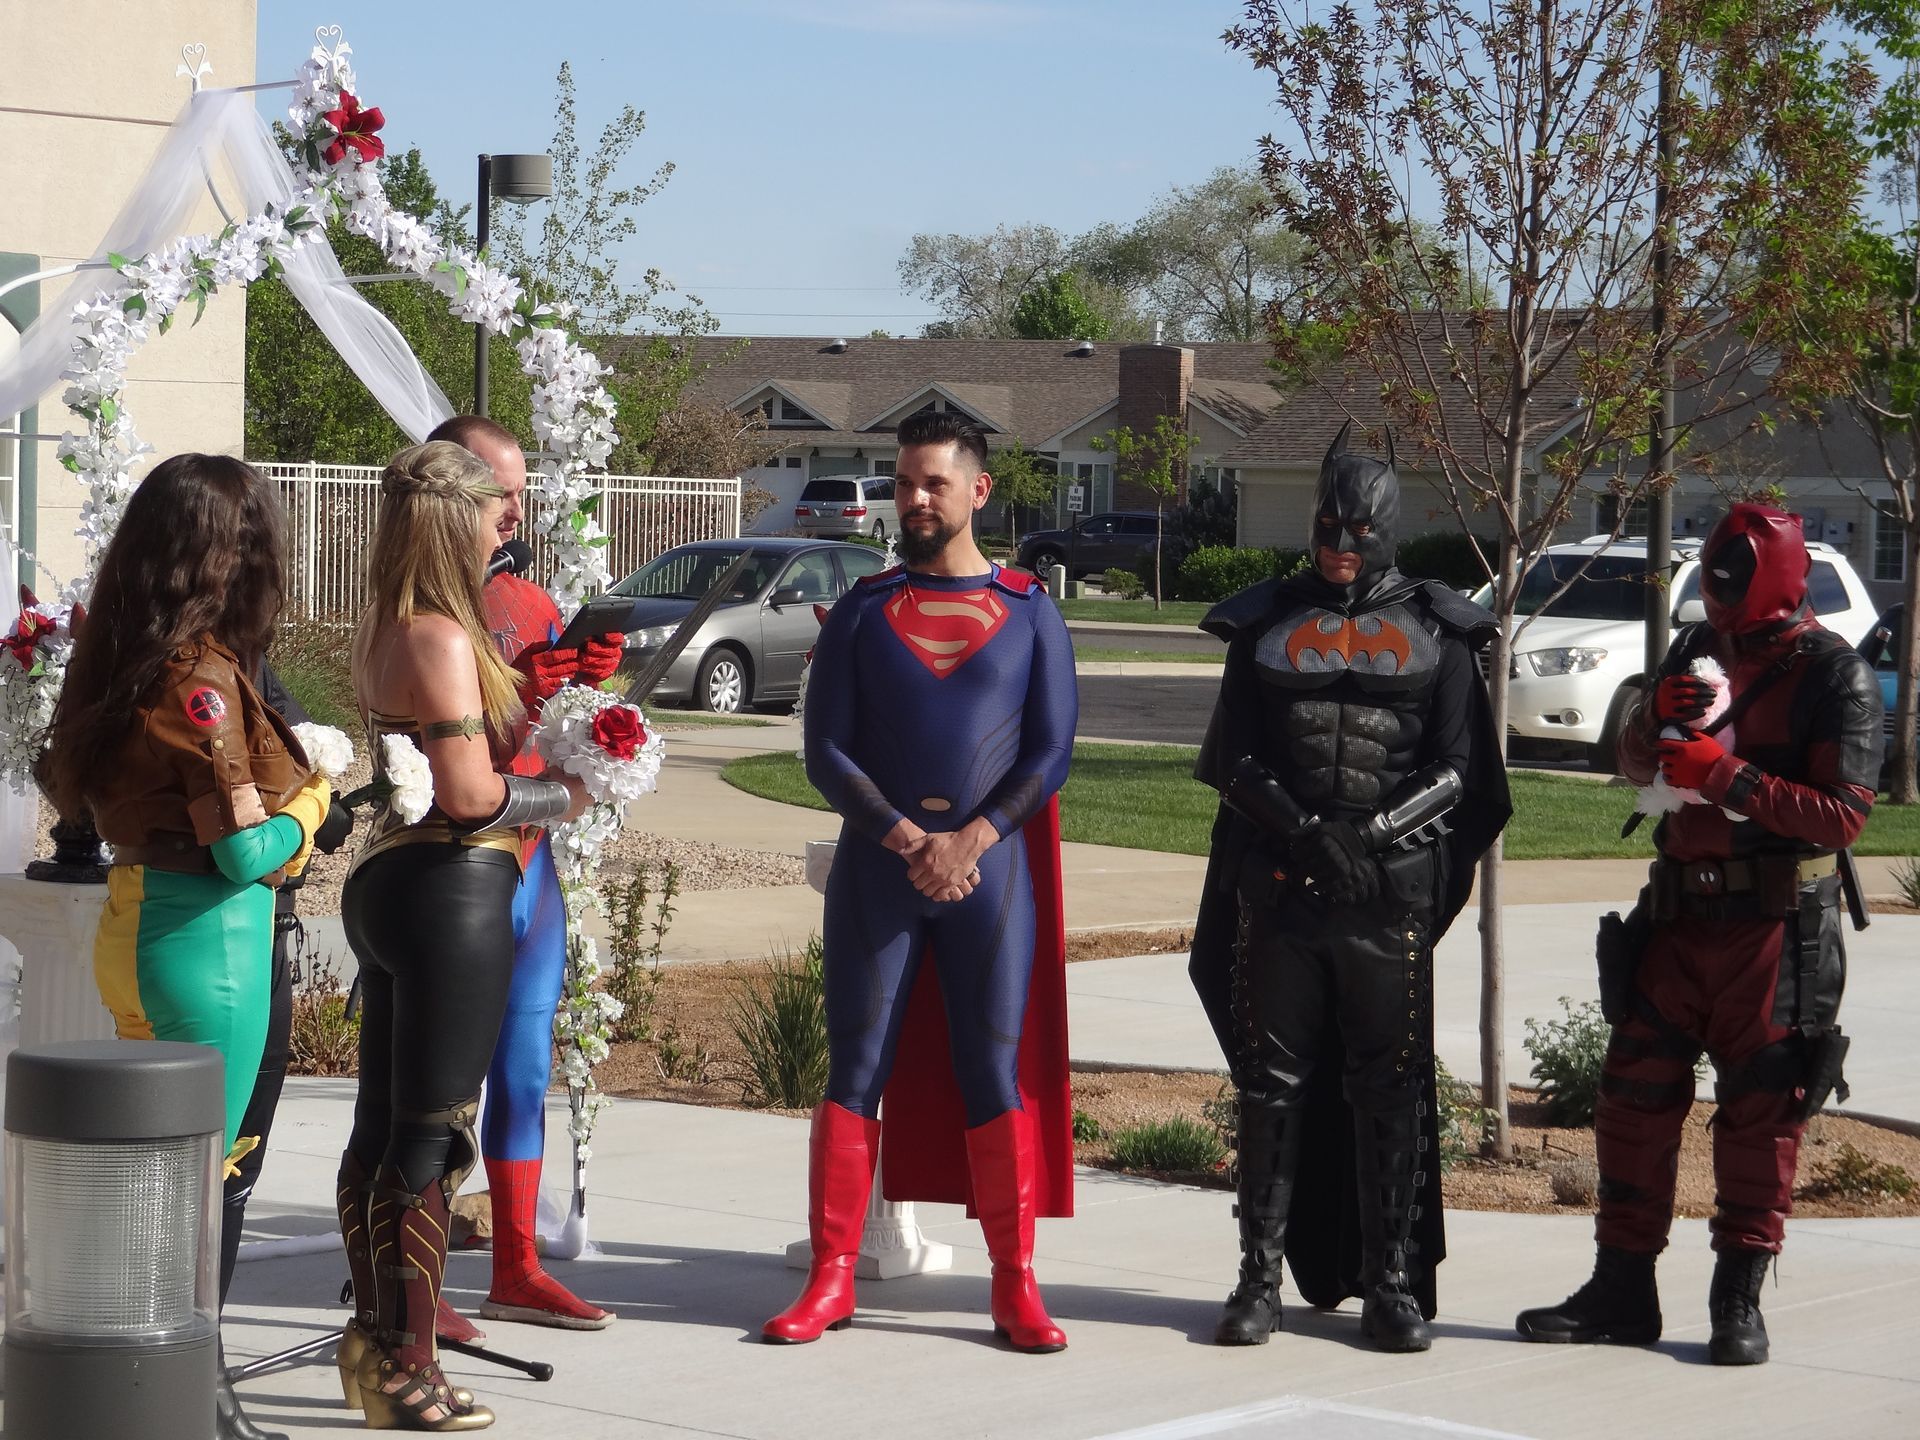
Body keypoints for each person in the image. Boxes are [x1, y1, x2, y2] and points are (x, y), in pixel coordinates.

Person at [1516, 502, 1881, 1366]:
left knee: (1762, 1109)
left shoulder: (1837, 676)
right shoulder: (1694, 652)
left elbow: (1844, 819)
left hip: (1776, 927)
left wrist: (1730, 775)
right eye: (1713, 586)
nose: (1718, 604)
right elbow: (1637, 770)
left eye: (1732, 585)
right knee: (1633, 1100)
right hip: (1678, 917)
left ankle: (1736, 1303)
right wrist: (1649, 728)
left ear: (1780, 580)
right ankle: (1621, 1289)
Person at [1187, 423, 1509, 1353]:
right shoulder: (1262, 621)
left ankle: (1393, 1280)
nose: (1338, 548)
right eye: (1327, 528)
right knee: (1269, 1085)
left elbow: (1459, 769)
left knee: (1391, 1087)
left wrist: (1367, 835)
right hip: (1284, 888)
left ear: (1388, 529)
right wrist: (1304, 832)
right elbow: (1233, 755)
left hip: (1387, 895)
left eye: (1356, 532)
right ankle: (1258, 1279)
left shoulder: (1441, 627)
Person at [762, 411, 1078, 1353]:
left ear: (977, 491)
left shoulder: (1030, 610)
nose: (912, 500)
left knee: (991, 1070)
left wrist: (971, 838)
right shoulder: (863, 609)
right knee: (854, 1071)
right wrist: (910, 839)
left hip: (991, 873)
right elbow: (825, 752)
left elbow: (1052, 751)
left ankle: (1015, 1284)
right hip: (882, 871)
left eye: (931, 484)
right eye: (904, 484)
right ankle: (831, 1279)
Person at [47, 452, 334, 1440]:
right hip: (207, 943)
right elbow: (242, 852)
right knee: (201, 1193)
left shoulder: (124, 654)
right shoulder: (202, 681)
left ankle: (170, 1400)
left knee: (159, 1190)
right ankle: (186, 1406)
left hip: (141, 922)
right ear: (236, 558)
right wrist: (315, 805)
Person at [334, 440, 585, 1432]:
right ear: (454, 525)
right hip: (452, 886)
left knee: (381, 1128)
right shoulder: (441, 635)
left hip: (389, 886)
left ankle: (374, 1339)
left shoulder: (380, 626)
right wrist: (566, 791)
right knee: (435, 1137)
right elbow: (474, 794)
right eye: (494, 511)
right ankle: (409, 1363)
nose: (508, 524)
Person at [423, 414, 622, 1332]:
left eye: (520, 489)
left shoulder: (534, 605)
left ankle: (516, 1264)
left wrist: (596, 709)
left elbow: (552, 753)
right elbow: (427, 773)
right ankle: (409, 1282)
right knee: (426, 1081)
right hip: (454, 873)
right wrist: (530, 691)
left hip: (531, 873)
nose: (517, 508)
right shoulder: (417, 615)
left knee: (524, 1064)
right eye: (500, 490)